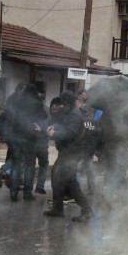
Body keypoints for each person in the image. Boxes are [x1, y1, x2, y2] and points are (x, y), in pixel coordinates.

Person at [43, 91, 94, 222]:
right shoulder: (70, 113)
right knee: (59, 178)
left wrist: (55, 133)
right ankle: (58, 208)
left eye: (62, 103)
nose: (59, 106)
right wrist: (55, 127)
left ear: (67, 103)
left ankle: (86, 210)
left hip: (71, 153)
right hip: (68, 152)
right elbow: (64, 127)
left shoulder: (75, 115)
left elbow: (70, 133)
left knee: (70, 183)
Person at [2, 84, 47, 202]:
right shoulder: (37, 103)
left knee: (16, 165)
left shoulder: (16, 101)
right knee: (29, 166)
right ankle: (27, 193)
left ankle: (13, 192)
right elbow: (44, 118)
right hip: (30, 138)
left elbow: (8, 116)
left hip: (15, 137)